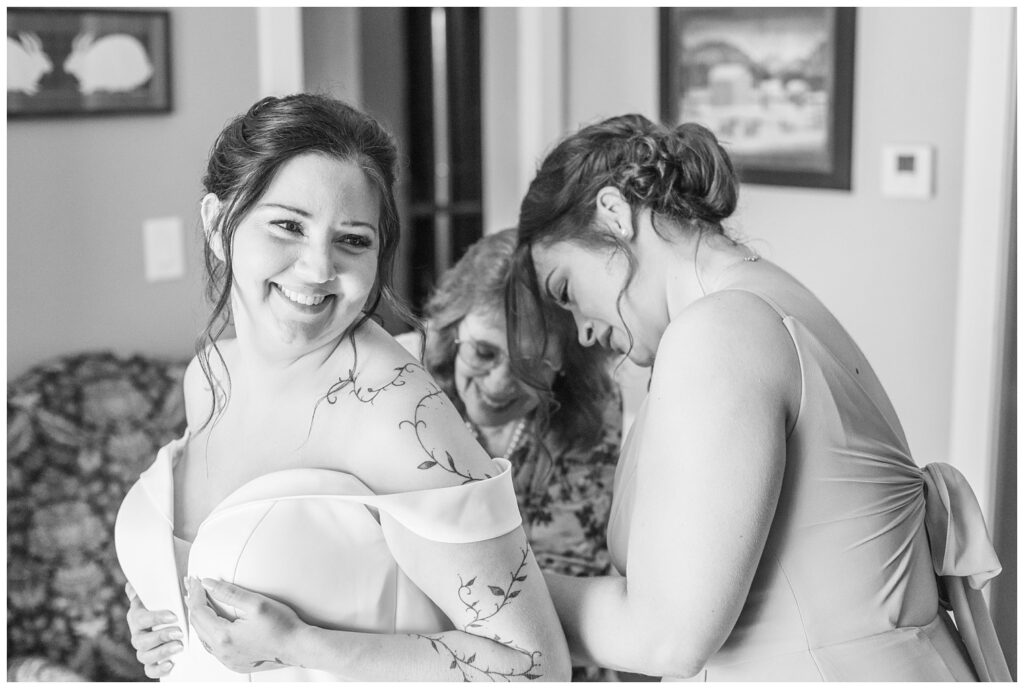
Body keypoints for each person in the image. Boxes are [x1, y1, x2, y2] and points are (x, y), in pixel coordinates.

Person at [503, 113, 1011, 681]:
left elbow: (664, 638)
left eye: (566, 291)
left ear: (614, 214)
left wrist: (488, 588)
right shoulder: (759, 301)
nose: (583, 333)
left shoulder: (720, 333)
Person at [114, 93, 570, 682]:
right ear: (215, 224)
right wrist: (167, 622)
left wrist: (302, 645)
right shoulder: (209, 374)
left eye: (352, 240)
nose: (317, 268)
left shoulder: (392, 406)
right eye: (287, 226)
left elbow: (535, 669)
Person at [405, 228, 623, 681]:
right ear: (453, 328)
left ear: (567, 364)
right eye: (484, 352)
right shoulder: (402, 387)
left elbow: (576, 566)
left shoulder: (595, 408)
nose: (501, 382)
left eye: (531, 366)